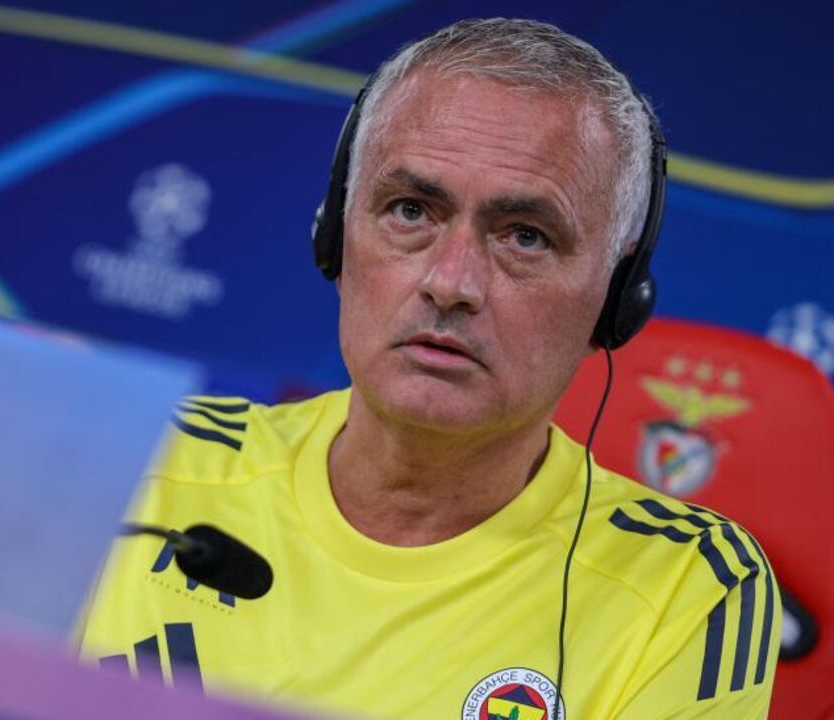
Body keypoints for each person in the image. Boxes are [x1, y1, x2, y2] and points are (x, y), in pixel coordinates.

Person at [77, 18, 779, 720]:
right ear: (335, 234)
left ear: (617, 298)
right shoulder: (131, 459)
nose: (451, 282)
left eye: (526, 237)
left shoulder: (685, 589)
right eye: (411, 210)